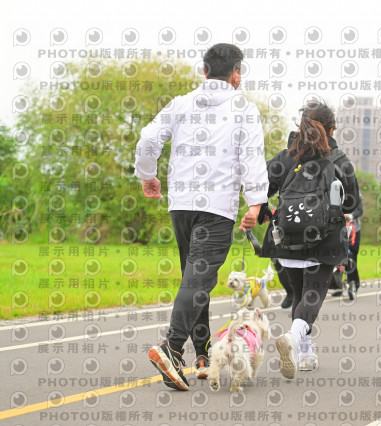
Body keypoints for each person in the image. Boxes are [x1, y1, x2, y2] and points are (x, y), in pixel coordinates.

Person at [136, 43, 269, 391]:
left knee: (195, 280)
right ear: (236, 73)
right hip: (216, 207)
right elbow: (252, 157)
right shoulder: (243, 108)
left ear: (205, 71)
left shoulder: (180, 103)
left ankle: (202, 355)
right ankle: (171, 347)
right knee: (198, 281)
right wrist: (256, 202)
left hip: (180, 205)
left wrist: (147, 174)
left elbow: (148, 138)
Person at [258, 100, 360, 378]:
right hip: (324, 239)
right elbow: (351, 202)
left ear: (300, 126)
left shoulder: (285, 157)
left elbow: (258, 186)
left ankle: (305, 353)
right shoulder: (338, 160)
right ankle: (293, 339)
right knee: (312, 295)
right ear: (331, 129)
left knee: (300, 295)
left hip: (286, 237)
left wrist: (263, 209)